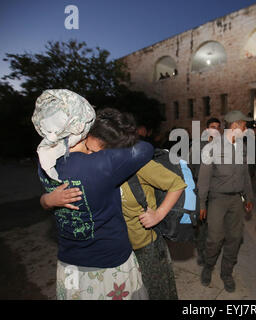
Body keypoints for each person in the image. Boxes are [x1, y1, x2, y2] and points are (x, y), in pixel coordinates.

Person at [44, 108, 186, 300]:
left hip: (142, 246)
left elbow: (177, 184)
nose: (86, 152)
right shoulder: (89, 166)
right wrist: (48, 199)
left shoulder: (136, 165)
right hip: (118, 251)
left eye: (92, 149)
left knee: (157, 293)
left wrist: (158, 215)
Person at [34, 90, 153, 300]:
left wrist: (46, 200)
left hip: (70, 264)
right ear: (82, 125)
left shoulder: (45, 164)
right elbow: (145, 148)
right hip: (108, 263)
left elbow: (45, 200)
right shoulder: (102, 164)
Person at [198, 110, 254, 293]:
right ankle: (208, 267)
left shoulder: (243, 148)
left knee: (235, 239)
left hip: (236, 200)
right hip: (217, 200)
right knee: (214, 239)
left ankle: (226, 273)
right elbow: (204, 180)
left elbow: (246, 175)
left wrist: (249, 197)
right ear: (235, 126)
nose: (246, 129)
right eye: (244, 125)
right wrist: (201, 204)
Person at [190, 117, 222, 266]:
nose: (215, 130)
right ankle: (202, 252)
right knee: (202, 224)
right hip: (201, 189)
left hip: (217, 191)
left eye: (217, 127)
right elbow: (189, 168)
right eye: (212, 127)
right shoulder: (197, 146)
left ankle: (211, 249)